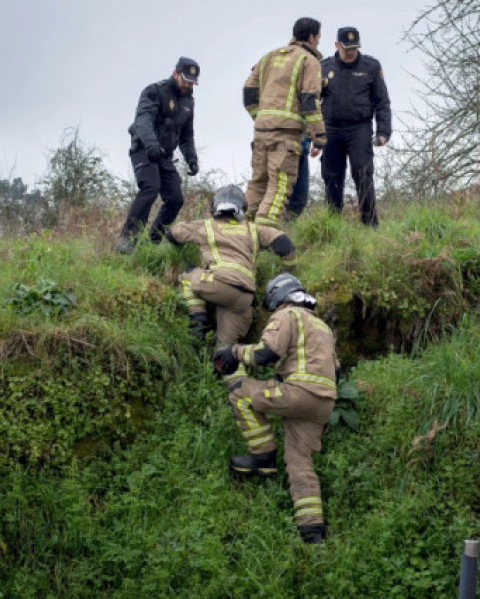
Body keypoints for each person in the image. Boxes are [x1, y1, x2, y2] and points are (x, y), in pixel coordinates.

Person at [213, 274, 340, 544]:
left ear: (278, 295)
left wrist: (233, 352)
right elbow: (334, 371)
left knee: (240, 393)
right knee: (300, 463)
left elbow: (266, 353)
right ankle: (312, 533)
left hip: (299, 394)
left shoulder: (287, 314)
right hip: (323, 402)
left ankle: (262, 458)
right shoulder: (323, 328)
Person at [166, 185, 296, 347]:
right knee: (226, 356)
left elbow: (173, 234)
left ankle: (198, 324)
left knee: (187, 276)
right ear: (242, 207)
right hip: (244, 297)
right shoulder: (253, 229)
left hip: (218, 284)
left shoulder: (205, 226)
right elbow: (285, 245)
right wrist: (289, 268)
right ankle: (233, 369)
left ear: (215, 206)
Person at [243, 18, 327, 228]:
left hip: (261, 132)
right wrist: (319, 136)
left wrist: (260, 116)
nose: (318, 42)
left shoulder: (268, 57)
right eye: (318, 38)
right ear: (311, 37)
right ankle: (264, 236)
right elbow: (310, 101)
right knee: (279, 187)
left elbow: (248, 92)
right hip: (286, 136)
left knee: (257, 184)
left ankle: (239, 233)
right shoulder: (309, 61)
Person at [115, 57, 201, 254]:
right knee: (151, 187)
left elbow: (186, 135)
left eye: (192, 82)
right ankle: (127, 241)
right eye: (186, 80)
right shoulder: (155, 91)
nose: (188, 85)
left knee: (176, 198)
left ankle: (153, 242)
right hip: (144, 148)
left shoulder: (188, 102)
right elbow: (142, 120)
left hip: (164, 154)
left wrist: (192, 158)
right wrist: (151, 144)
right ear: (175, 74)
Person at [320, 27, 391, 228]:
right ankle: (333, 225)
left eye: (354, 48)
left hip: (359, 128)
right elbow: (312, 103)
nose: (351, 52)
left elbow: (382, 102)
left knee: (363, 172)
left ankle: (370, 223)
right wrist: (314, 136)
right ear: (337, 46)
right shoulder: (323, 68)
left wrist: (384, 131)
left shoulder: (371, 66)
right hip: (331, 129)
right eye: (346, 48)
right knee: (332, 177)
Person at [286, 136, 312, 219]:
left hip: (302, 149)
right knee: (280, 194)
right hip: (284, 151)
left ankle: (288, 225)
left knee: (300, 198)